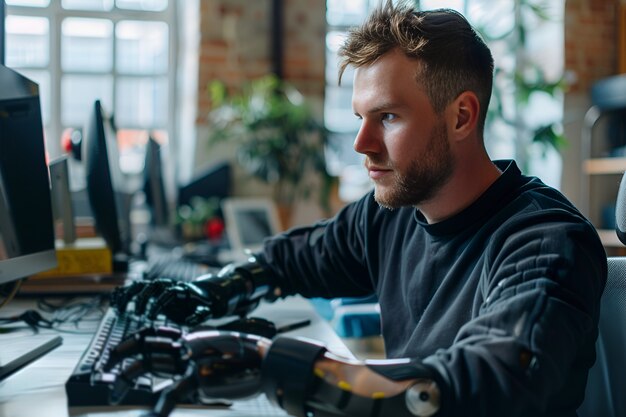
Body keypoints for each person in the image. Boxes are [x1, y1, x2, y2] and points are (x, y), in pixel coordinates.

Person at [109, 2, 607, 416]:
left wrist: (274, 364)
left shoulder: (545, 241)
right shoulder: (390, 213)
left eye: (387, 116)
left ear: (461, 116)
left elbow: (490, 378)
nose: (362, 144)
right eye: (360, 119)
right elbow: (295, 258)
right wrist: (213, 291)